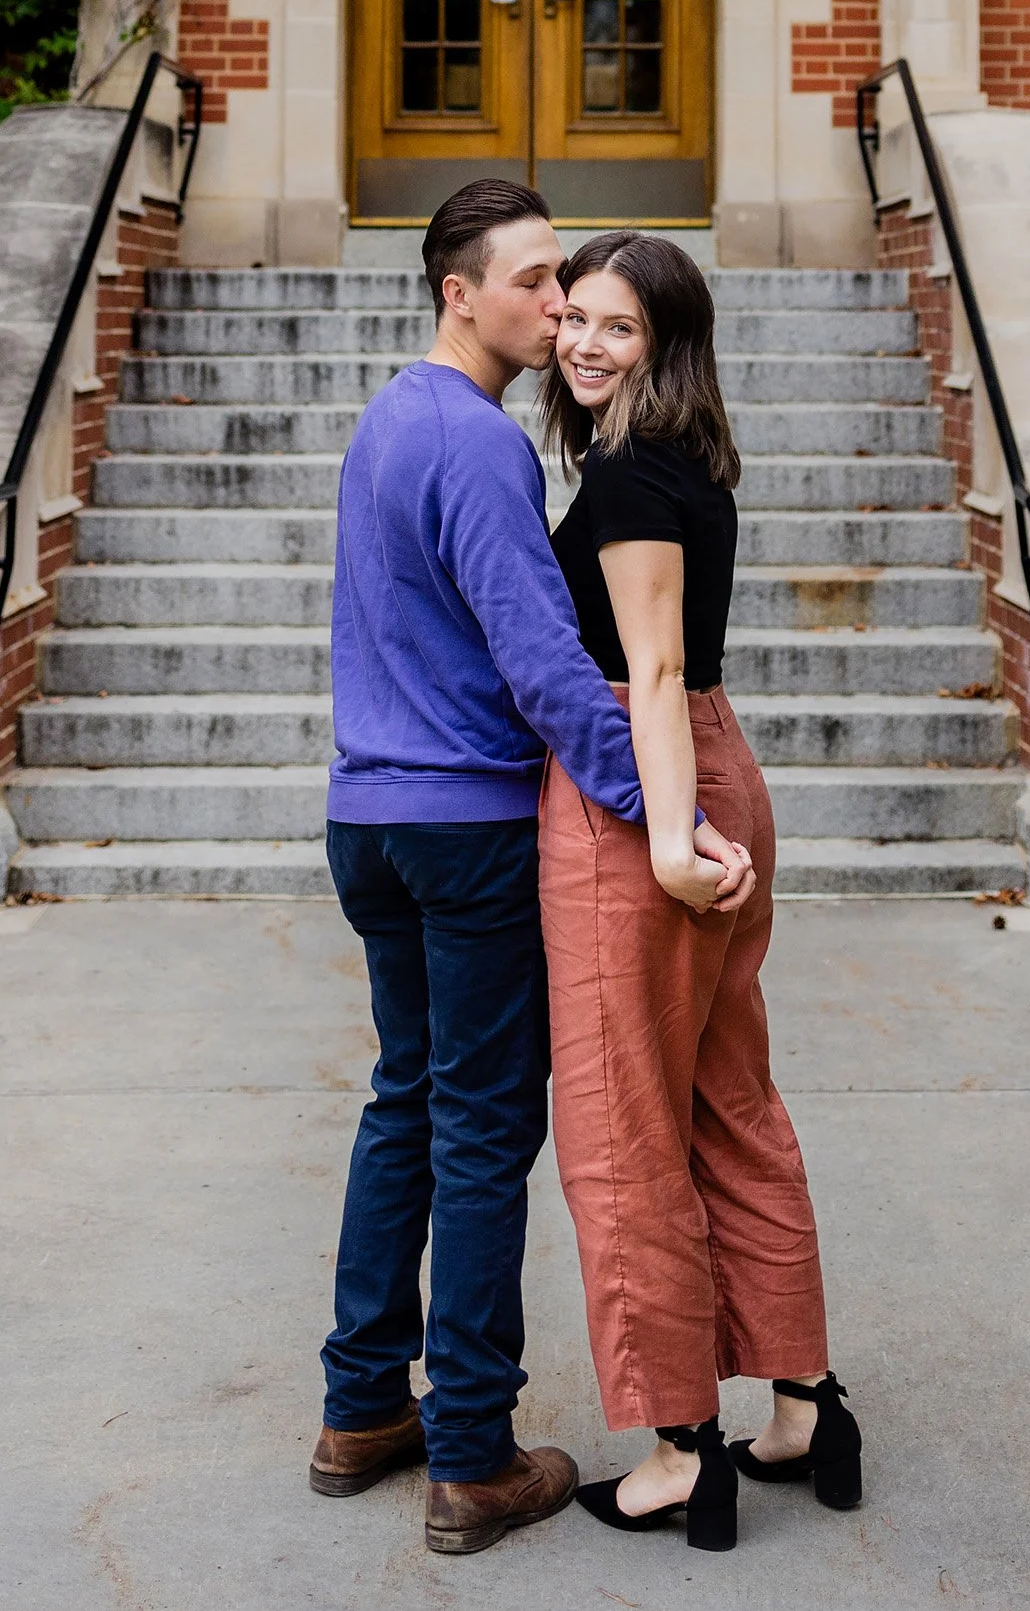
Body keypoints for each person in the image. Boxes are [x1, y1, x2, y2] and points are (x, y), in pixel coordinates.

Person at [311, 182, 750, 1557]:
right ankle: (472, 1454)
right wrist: (645, 812)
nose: (559, 305)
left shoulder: (387, 419)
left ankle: (359, 1407)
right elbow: (544, 659)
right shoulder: (481, 447)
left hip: (364, 818)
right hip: (462, 829)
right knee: (485, 1125)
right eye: (537, 280)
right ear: (459, 291)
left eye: (567, 282)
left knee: (405, 1103)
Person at [537, 230, 863, 1553]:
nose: (582, 345)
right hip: (718, 762)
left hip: (645, 784)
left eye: (617, 328)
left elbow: (650, 671)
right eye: (574, 320)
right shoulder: (685, 458)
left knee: (621, 1136)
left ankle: (679, 1450)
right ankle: (799, 1406)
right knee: (730, 1101)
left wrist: (665, 839)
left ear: (667, 346)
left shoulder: (622, 475)